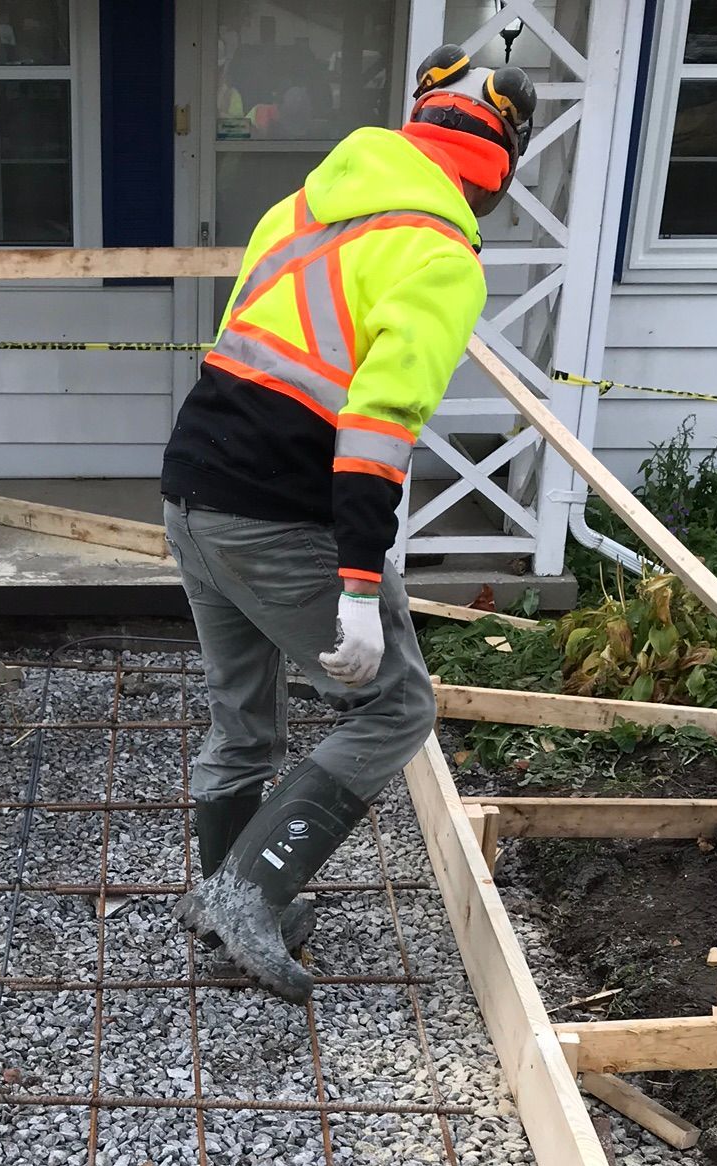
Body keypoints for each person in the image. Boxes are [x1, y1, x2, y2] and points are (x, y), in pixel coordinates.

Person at [162, 46, 536, 1002]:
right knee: (399, 704)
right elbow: (378, 424)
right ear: (500, 162)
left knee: (243, 720)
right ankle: (251, 890)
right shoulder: (439, 254)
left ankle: (220, 897)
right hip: (279, 512)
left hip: (192, 487)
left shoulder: (304, 206)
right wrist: (361, 583)